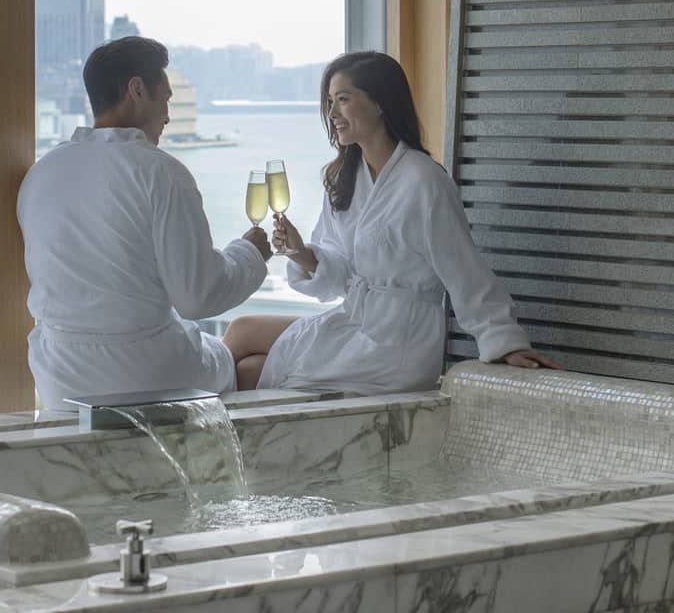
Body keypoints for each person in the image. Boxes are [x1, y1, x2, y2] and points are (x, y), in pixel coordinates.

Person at [223, 51, 560, 394]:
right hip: (357, 322)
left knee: (247, 354)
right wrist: (300, 253)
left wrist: (504, 341)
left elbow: (464, 270)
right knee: (244, 348)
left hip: (400, 341)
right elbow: (341, 276)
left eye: (343, 100)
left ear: (379, 102)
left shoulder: (424, 181)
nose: (333, 113)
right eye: (330, 102)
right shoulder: (344, 178)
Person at [17, 36, 273, 409]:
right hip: (144, 374)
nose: (168, 115)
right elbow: (198, 297)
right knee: (254, 364)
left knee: (229, 347)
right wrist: (250, 253)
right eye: (165, 99)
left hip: (61, 378)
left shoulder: (41, 173)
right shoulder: (160, 173)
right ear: (137, 90)